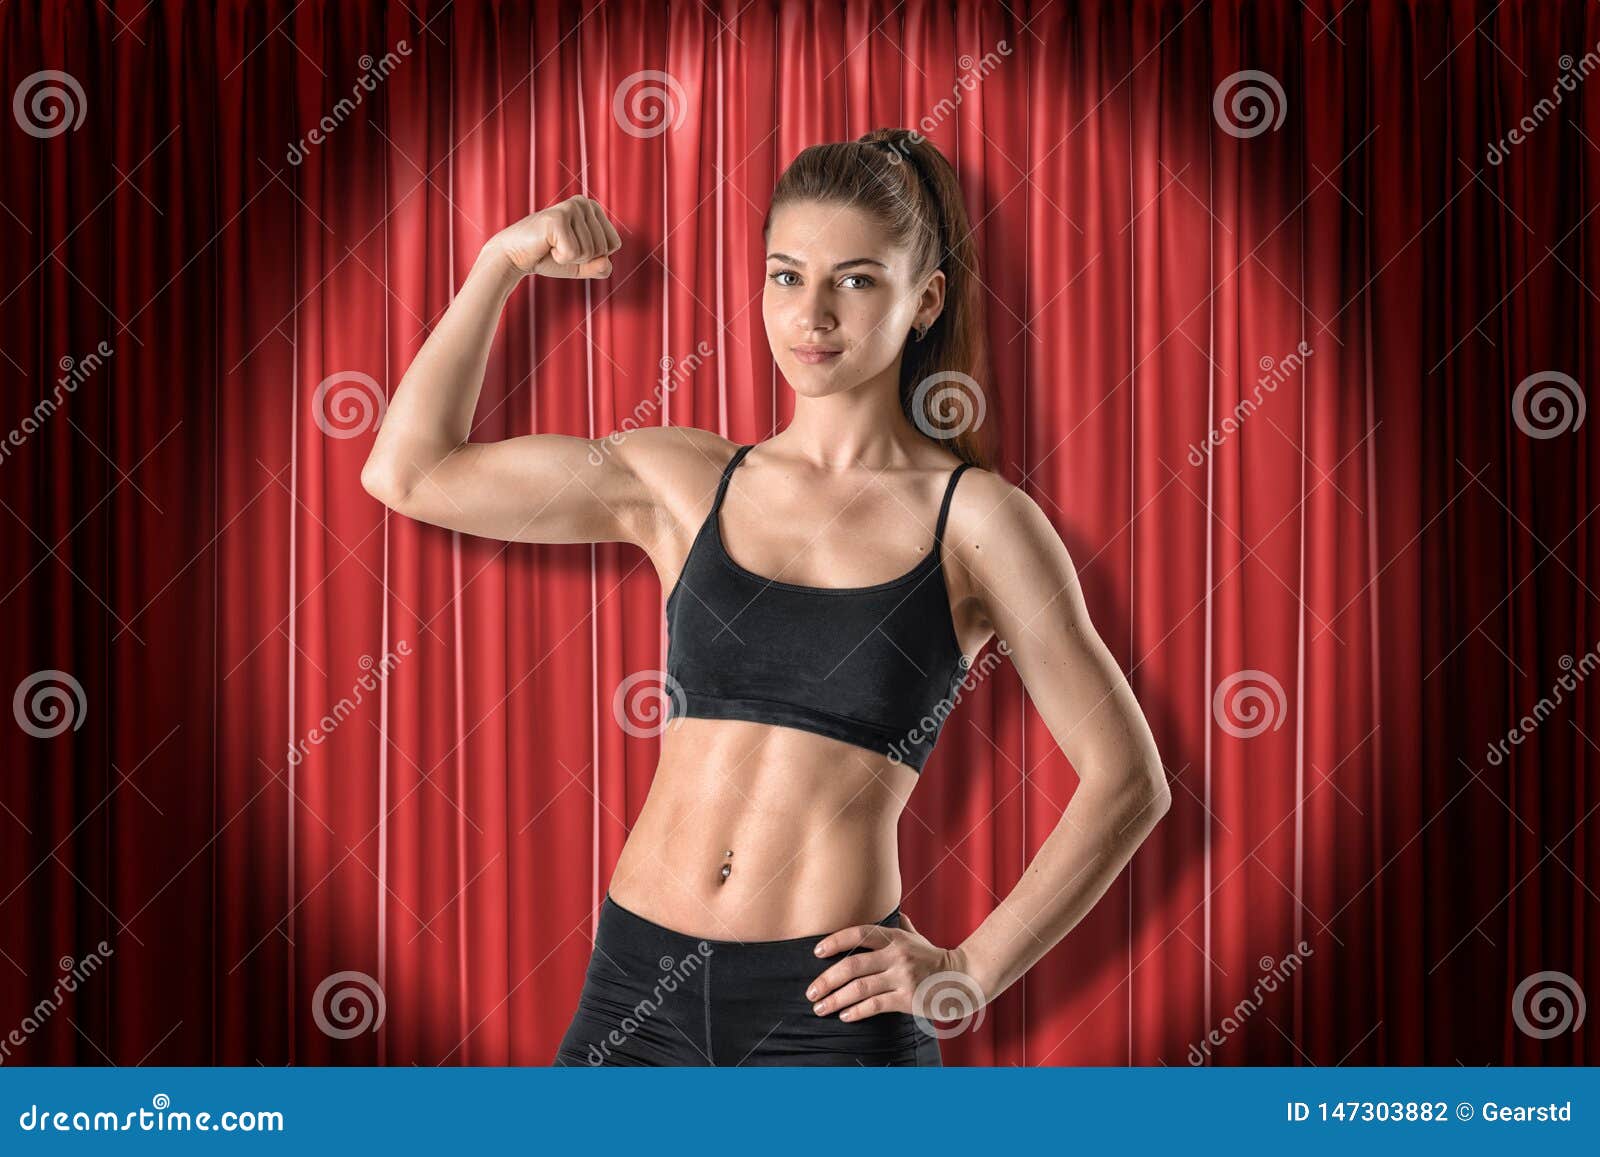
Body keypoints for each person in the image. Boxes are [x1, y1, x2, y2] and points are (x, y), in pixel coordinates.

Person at [360, 128, 1169, 1066]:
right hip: (636, 987)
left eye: (857, 280)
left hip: (828, 1016)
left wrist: (972, 967)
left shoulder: (977, 521)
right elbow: (411, 472)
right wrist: (499, 265)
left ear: (925, 301)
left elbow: (1127, 779)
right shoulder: (684, 478)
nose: (812, 313)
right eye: (786, 275)